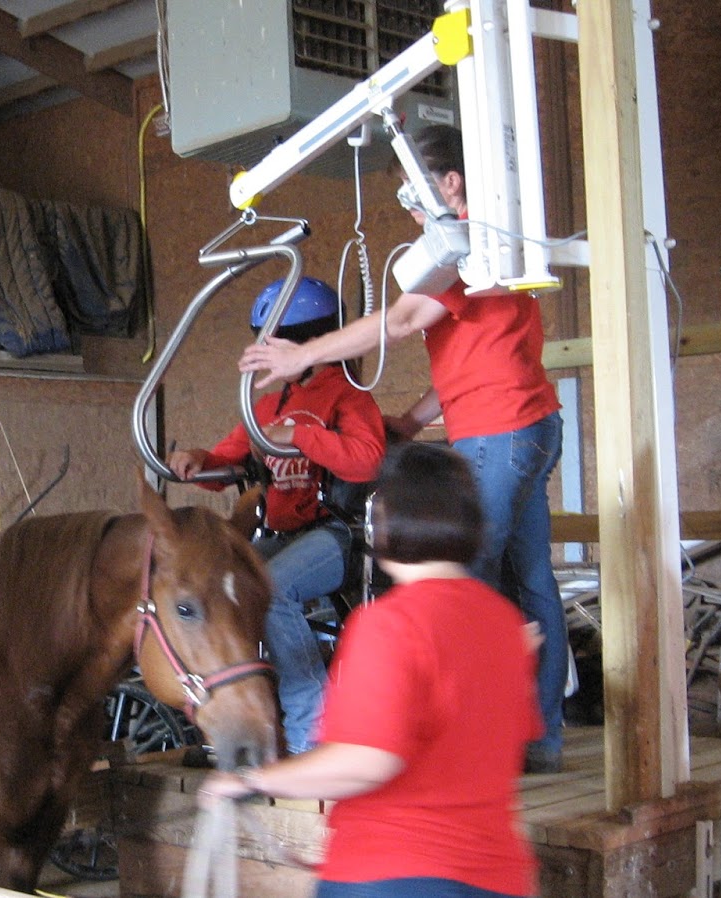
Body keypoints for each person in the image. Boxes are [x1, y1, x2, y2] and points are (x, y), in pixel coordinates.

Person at [238, 124, 568, 773]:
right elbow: (484, 358)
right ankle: (539, 739)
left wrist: (301, 354)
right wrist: (415, 420)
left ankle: (475, 742)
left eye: (414, 197)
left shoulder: (460, 248)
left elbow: (401, 319)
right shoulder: (498, 247)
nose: (411, 212)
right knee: (531, 582)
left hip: (497, 433)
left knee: (463, 581)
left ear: (451, 184)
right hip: (530, 424)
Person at [201, 441, 541, 898]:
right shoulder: (505, 623)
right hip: (498, 876)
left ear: (387, 521)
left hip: (391, 873)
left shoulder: (389, 623)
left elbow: (366, 760)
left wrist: (251, 779)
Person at [169, 276, 385, 755]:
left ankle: (312, 730)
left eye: (274, 345)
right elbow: (230, 457)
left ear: (306, 341)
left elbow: (367, 459)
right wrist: (199, 460)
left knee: (273, 587)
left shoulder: (348, 396)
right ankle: (239, 712)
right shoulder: (269, 403)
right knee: (214, 582)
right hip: (283, 533)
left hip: (337, 533)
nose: (268, 358)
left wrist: (300, 436)